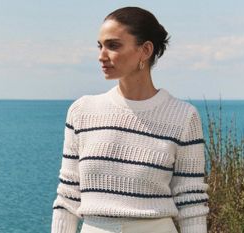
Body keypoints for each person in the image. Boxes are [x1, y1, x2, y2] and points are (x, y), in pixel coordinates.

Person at [51, 6, 209, 233]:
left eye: (113, 45)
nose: (101, 55)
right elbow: (67, 197)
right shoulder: (82, 111)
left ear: (145, 50)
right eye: (100, 45)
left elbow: (191, 203)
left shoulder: (183, 116)